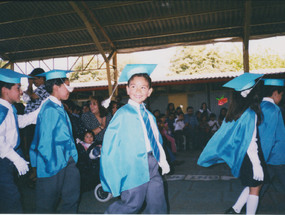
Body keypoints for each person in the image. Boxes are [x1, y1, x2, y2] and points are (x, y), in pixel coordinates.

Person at [100, 64, 170, 214]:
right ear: (127, 89)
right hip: (132, 166)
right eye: (133, 86)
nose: (138, 91)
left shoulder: (149, 115)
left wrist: (161, 160)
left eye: (143, 87)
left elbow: (156, 140)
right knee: (133, 203)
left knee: (157, 202)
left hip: (152, 162)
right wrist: (112, 170)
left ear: (150, 91)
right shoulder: (122, 114)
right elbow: (110, 145)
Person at [197, 73, 268, 215]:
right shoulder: (250, 113)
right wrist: (256, 163)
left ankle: (235, 209)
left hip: (242, 155)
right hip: (250, 155)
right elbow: (251, 141)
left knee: (252, 185)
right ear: (249, 93)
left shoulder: (234, 112)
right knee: (255, 188)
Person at [29, 69, 80, 213]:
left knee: (71, 197)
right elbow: (45, 142)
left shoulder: (59, 106)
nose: (70, 90)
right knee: (46, 203)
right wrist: (51, 166)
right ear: (56, 87)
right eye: (67, 86)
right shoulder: (50, 109)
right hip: (54, 162)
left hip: (66, 159)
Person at [0, 69, 40, 213]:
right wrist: (16, 159)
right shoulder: (1, 110)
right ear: (5, 90)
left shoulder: (9, 108)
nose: (21, 91)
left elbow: (20, 122)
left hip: (8, 159)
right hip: (3, 160)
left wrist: (39, 111)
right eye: (18, 88)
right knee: (12, 198)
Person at [257, 79, 285, 199]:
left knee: (262, 183)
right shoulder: (273, 109)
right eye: (281, 95)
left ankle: (244, 206)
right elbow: (268, 136)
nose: (282, 98)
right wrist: (262, 158)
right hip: (276, 155)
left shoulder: (261, 106)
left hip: (270, 156)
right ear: (275, 93)